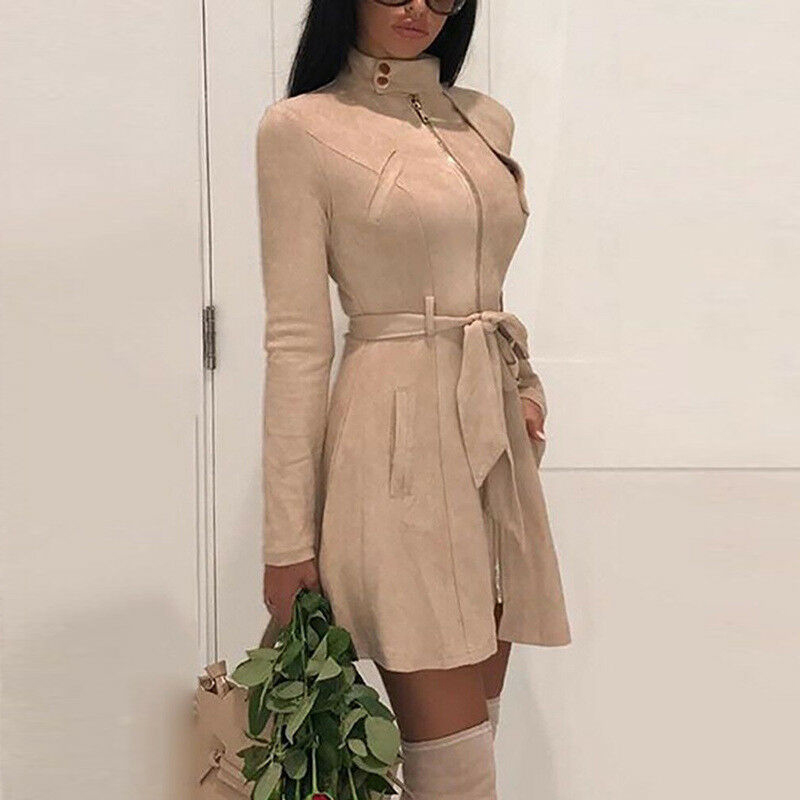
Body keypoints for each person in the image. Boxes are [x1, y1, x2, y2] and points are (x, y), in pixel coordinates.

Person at [257, 1, 571, 797]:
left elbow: (484, 280)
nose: (419, 9)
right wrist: (286, 537)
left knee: (473, 742)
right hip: (393, 448)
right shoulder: (301, 129)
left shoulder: (485, 120)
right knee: (458, 770)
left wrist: (524, 389)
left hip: (493, 454)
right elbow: (296, 342)